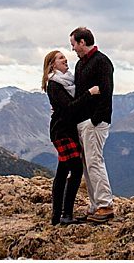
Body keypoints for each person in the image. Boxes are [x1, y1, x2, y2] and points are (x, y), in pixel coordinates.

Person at [42, 49, 100, 226]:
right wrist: (90, 93)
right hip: (63, 132)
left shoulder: (67, 82)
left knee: (62, 172)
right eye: (60, 58)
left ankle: (56, 215)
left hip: (67, 130)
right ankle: (66, 214)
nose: (65, 60)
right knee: (75, 170)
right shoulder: (54, 84)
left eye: (65, 57)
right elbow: (69, 106)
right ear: (52, 64)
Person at [70, 26, 115, 223]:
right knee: (87, 163)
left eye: (73, 44)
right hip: (83, 121)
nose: (72, 49)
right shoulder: (81, 65)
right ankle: (96, 204)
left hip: (94, 122)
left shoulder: (102, 62)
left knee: (95, 161)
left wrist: (95, 119)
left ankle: (105, 205)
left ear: (82, 42)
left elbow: (106, 92)